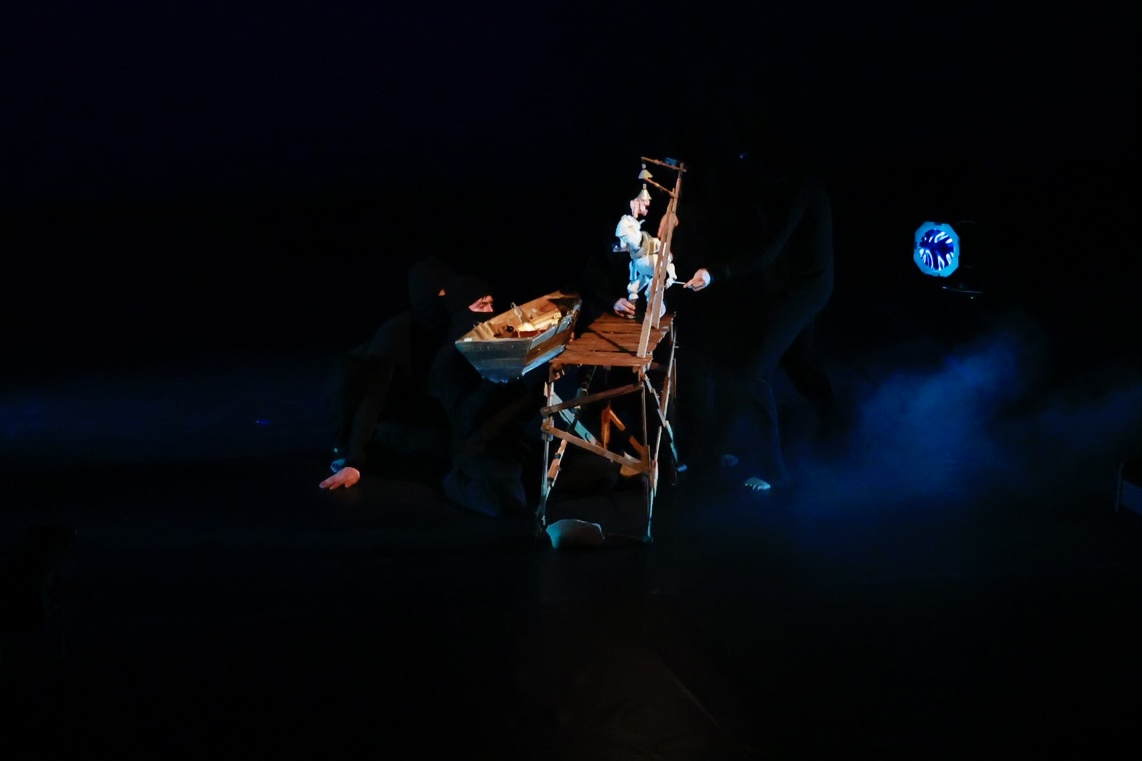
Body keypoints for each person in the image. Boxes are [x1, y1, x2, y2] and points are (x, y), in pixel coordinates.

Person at [677, 108, 844, 493]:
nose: (744, 160)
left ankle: (775, 470)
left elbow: (770, 249)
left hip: (806, 288)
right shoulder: (774, 181)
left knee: (751, 370)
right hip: (788, 285)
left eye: (748, 153)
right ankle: (835, 423)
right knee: (798, 362)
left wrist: (714, 272)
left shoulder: (800, 184)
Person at [319, 256, 456, 491]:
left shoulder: (449, 326)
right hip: (373, 408)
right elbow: (372, 396)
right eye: (442, 292)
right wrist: (354, 460)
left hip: (408, 402)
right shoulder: (397, 333)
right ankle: (352, 446)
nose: (448, 299)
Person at [426, 274, 546, 518]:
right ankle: (456, 483)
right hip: (478, 447)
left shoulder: (500, 343)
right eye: (481, 306)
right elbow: (463, 419)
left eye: (491, 304)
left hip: (515, 441)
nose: (490, 312)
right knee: (507, 502)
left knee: (596, 474)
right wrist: (491, 380)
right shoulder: (449, 357)